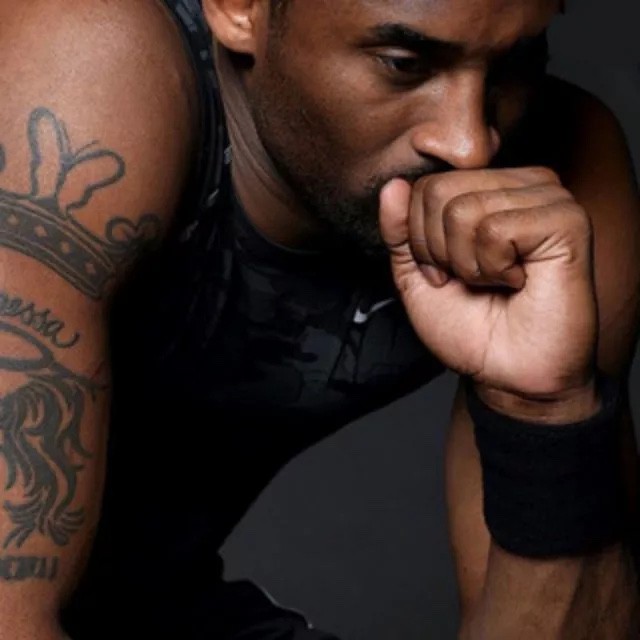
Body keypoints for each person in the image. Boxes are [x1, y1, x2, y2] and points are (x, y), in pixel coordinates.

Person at [0, 0, 637, 637]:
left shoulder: (557, 190)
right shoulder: (83, 67)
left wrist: (545, 409)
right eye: (403, 63)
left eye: (516, 64)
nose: (470, 146)